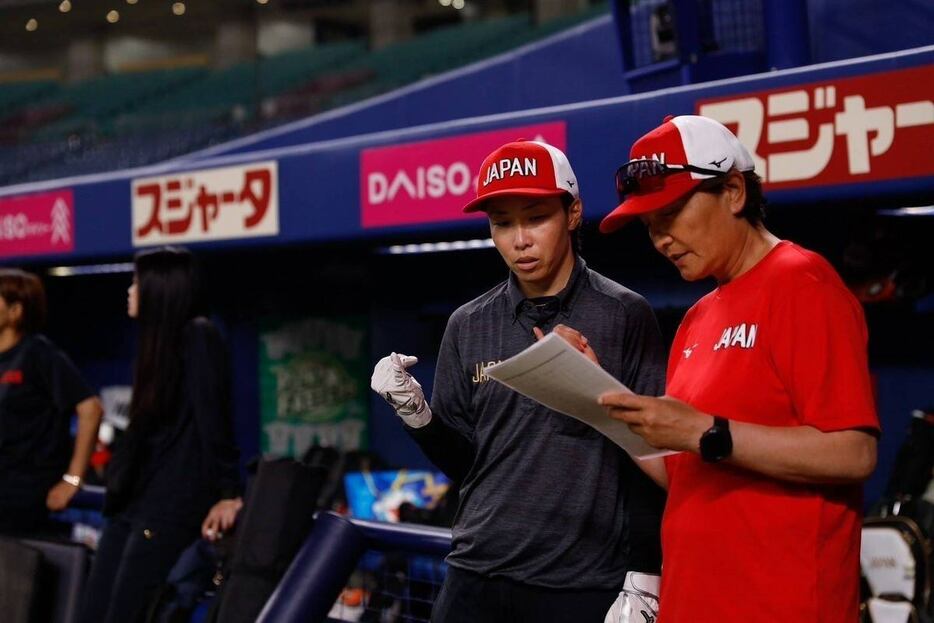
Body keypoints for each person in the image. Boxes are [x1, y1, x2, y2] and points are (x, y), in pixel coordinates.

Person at [597, 115, 880, 622]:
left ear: (732, 191)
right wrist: (596, 398)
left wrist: (707, 431)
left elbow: (854, 452)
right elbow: (688, 472)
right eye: (648, 225)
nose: (660, 238)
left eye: (671, 213)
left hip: (783, 605)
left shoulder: (803, 283)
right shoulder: (697, 316)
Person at [371, 140, 668, 622]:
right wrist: (417, 416)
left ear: (572, 214)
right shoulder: (468, 324)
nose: (519, 239)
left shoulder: (623, 315)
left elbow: (653, 452)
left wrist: (645, 572)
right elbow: (468, 465)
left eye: (535, 218)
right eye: (502, 223)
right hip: (476, 573)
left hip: (581, 582)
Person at [79, 247, 240, 623]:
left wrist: (229, 493)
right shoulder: (157, 346)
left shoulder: (199, 336)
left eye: (137, 281)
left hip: (167, 507)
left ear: (160, 289)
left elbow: (214, 422)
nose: (130, 290)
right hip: (132, 504)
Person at [0, 268, 103, 536]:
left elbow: (90, 409)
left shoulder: (38, 353)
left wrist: (73, 479)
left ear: (15, 311)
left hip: (25, 497)